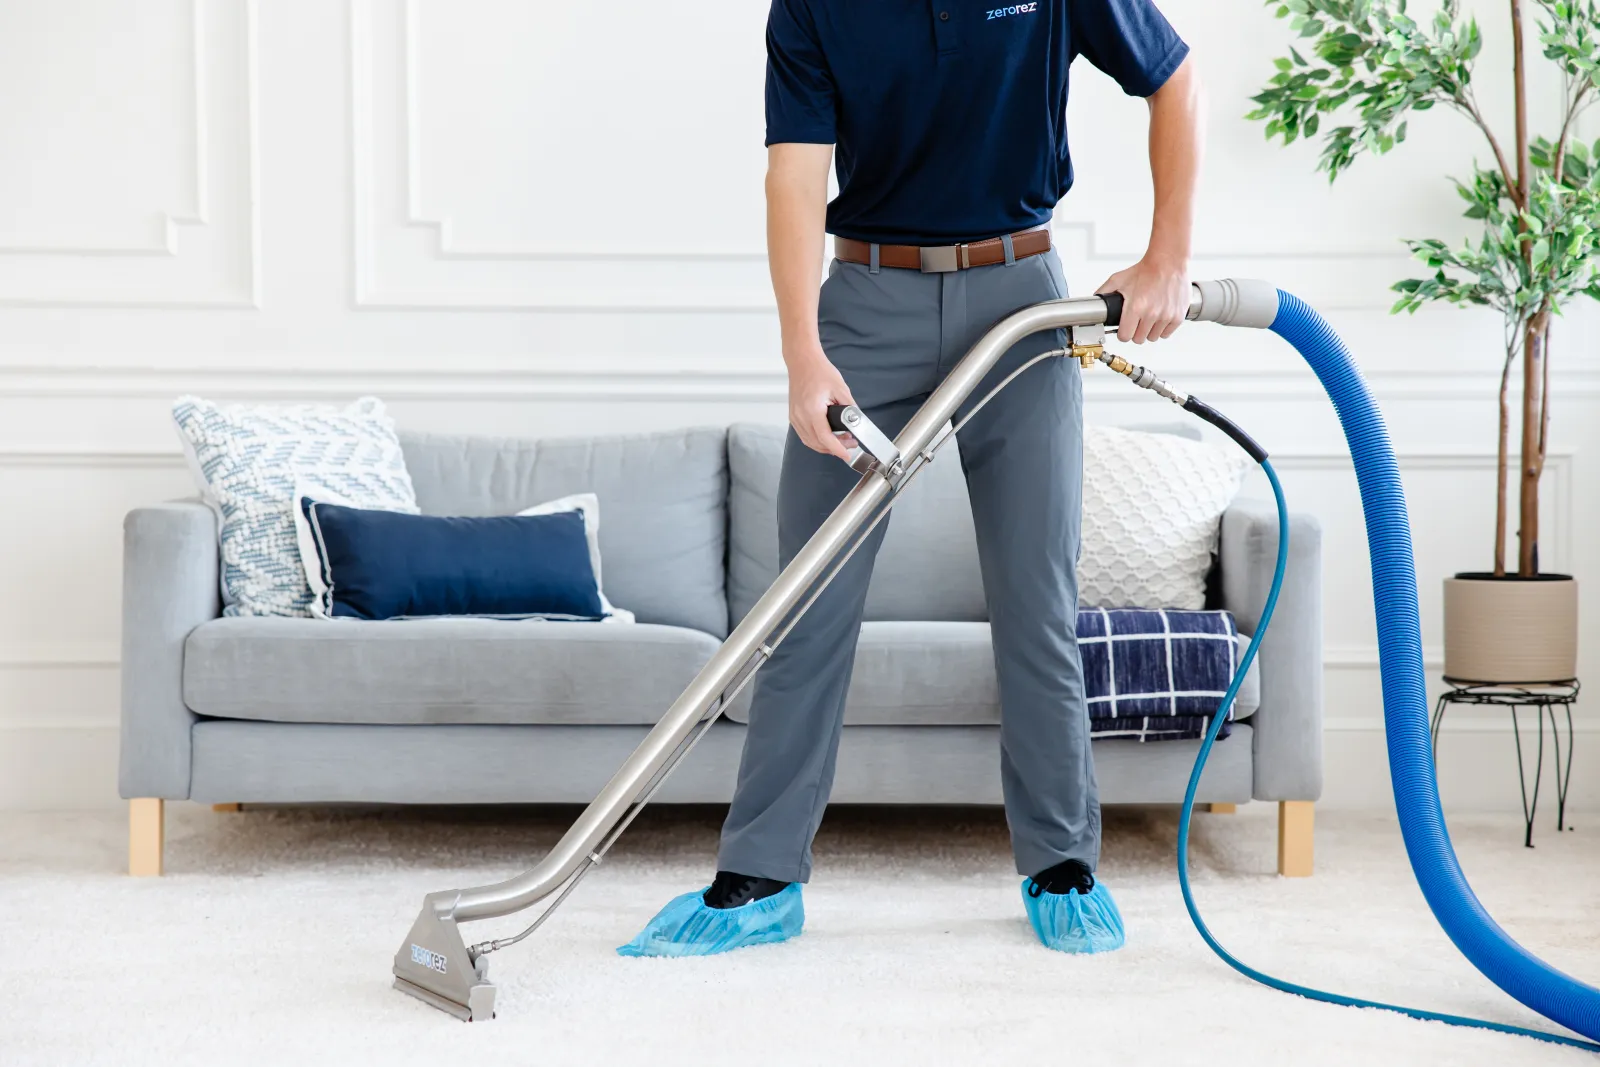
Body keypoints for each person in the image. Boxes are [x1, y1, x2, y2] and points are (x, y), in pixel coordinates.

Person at [618, 0, 1202, 958]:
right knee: (806, 598)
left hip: (1020, 295)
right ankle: (761, 875)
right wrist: (803, 354)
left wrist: (1168, 257)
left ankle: (1061, 862)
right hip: (866, 302)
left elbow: (1173, 78)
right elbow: (794, 173)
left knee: (1035, 599)